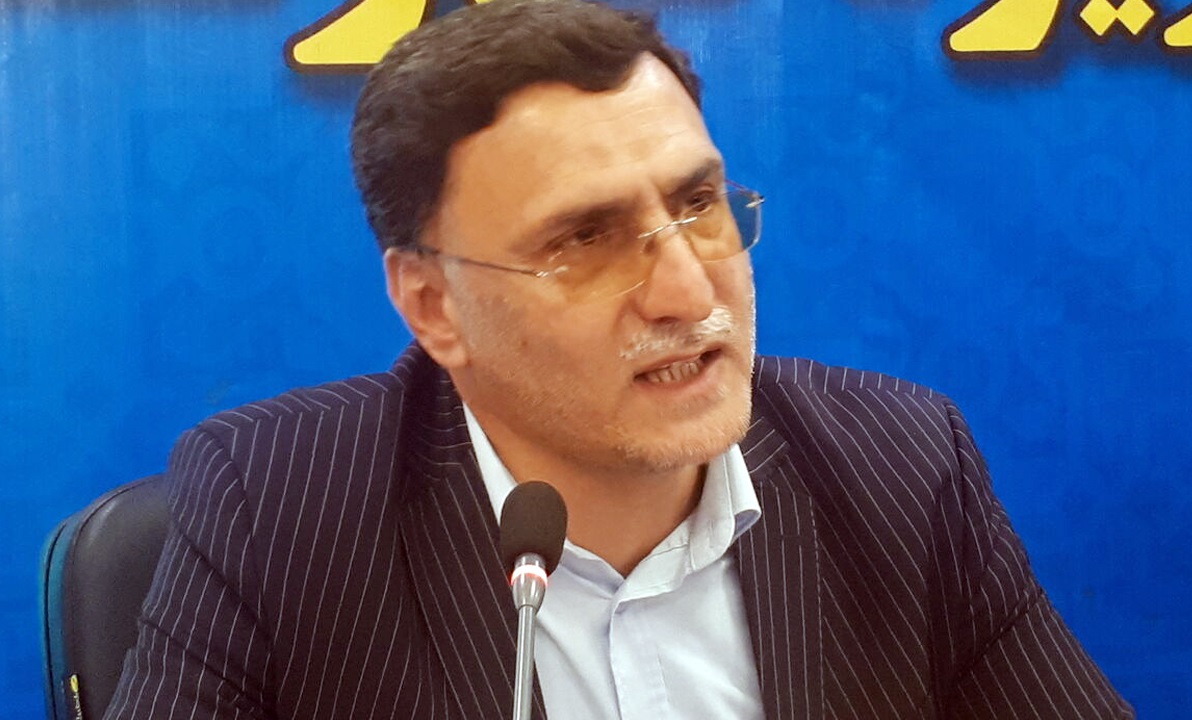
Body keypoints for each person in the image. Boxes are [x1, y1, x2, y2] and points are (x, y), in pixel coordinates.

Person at [107, 1, 1133, 718]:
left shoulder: (900, 463)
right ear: (432, 306)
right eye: (585, 241)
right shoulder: (278, 505)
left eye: (698, 204)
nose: (687, 292)